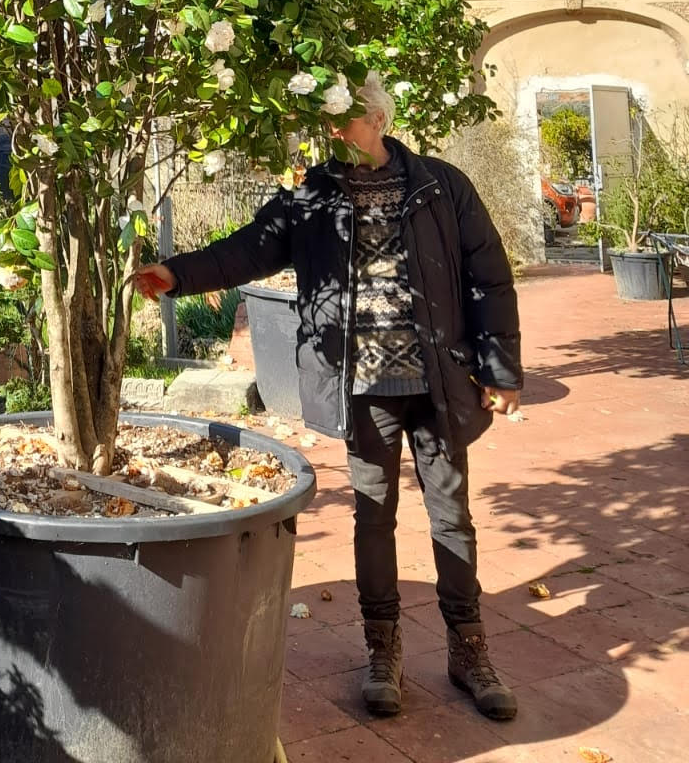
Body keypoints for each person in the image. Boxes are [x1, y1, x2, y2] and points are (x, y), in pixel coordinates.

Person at [135, 73, 522, 722]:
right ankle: (382, 651)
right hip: (362, 386)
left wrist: (500, 370)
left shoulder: (441, 185)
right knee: (373, 516)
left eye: (341, 120)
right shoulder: (312, 194)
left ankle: (469, 649)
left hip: (439, 379)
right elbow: (252, 248)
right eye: (325, 123)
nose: (332, 133)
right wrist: (178, 273)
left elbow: (489, 276)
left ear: (376, 119)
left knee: (451, 515)